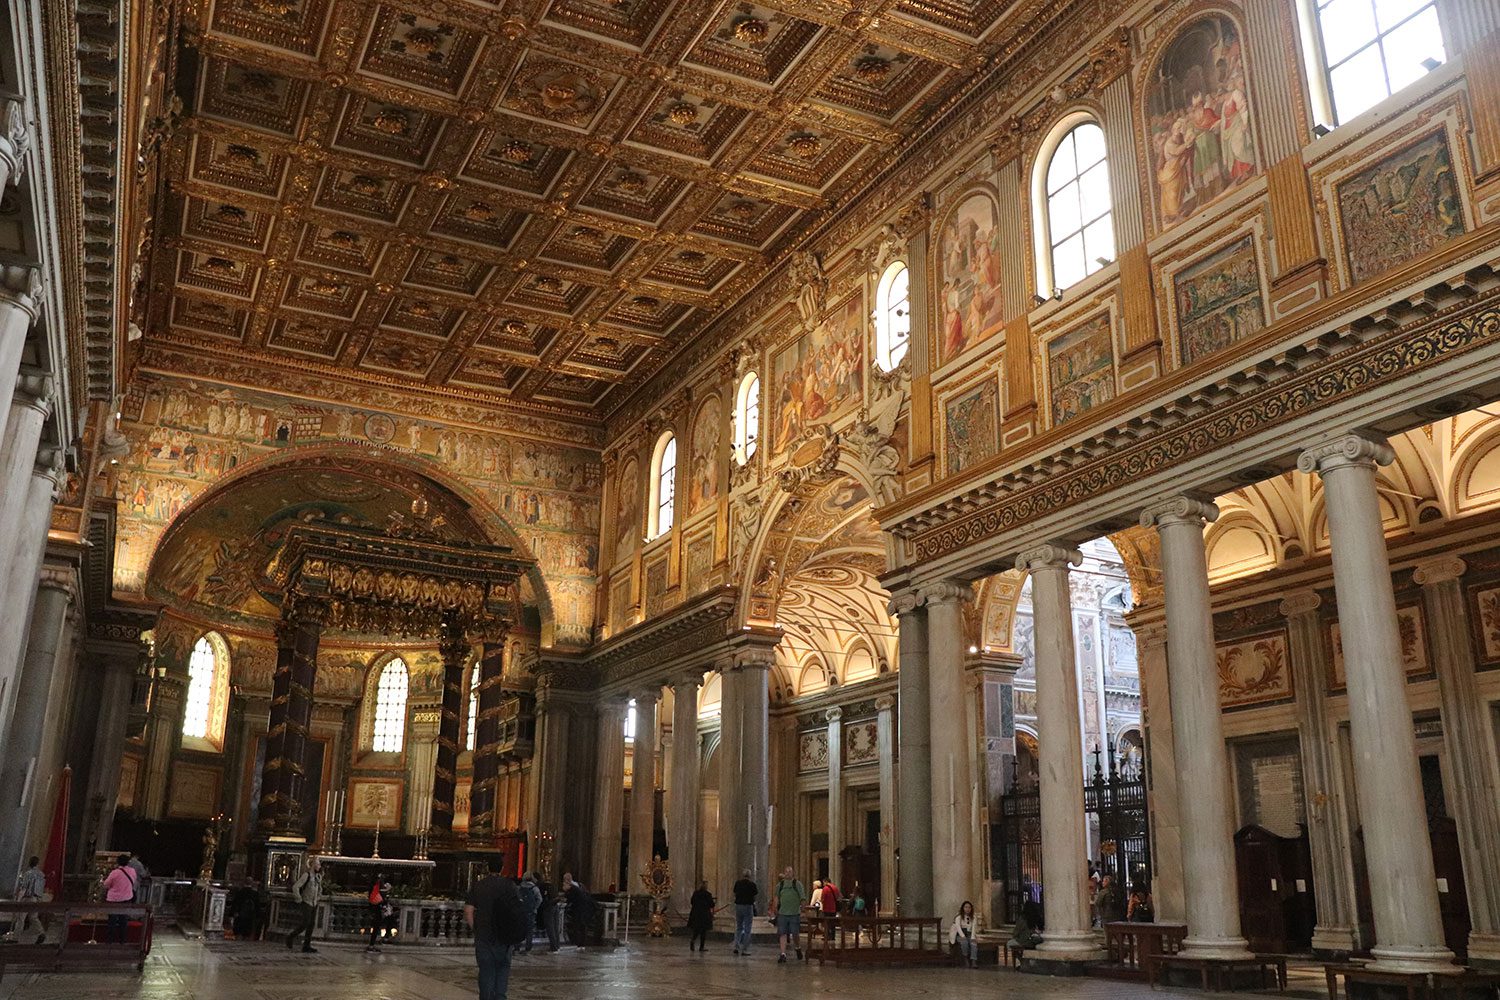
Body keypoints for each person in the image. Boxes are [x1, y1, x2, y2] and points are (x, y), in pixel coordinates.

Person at [465, 857, 527, 1000]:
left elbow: (468, 910)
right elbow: (518, 908)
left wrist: (476, 929)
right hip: (504, 934)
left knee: (486, 969)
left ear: (487, 869)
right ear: (502, 868)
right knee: (503, 968)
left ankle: (486, 997)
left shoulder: (479, 885)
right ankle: (500, 996)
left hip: (484, 934)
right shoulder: (509, 885)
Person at [286, 856, 321, 953]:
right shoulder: (306, 875)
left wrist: (318, 898)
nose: (319, 866)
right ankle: (290, 936)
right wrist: (299, 899)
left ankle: (306, 945)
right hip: (306, 902)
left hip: (314, 903)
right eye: (318, 864)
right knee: (305, 923)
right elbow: (296, 887)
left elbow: (319, 889)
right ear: (313, 865)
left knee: (311, 924)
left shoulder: (318, 877)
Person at [770, 867, 805, 964]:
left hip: (794, 913)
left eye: (790, 872)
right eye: (786, 871)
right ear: (784, 873)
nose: (788, 873)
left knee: (795, 933)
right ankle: (783, 954)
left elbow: (802, 897)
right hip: (783, 913)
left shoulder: (797, 884)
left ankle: (797, 947)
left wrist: (802, 909)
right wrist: (775, 908)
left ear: (793, 873)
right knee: (782, 933)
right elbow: (776, 897)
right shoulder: (780, 885)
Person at [101, 853, 137, 943]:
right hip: (127, 898)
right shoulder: (132, 871)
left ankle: (110, 940)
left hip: (114, 900)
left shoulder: (115, 873)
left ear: (118, 862)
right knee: (123, 920)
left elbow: (106, 885)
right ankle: (122, 940)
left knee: (112, 921)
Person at [16, 856, 46, 944]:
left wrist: (19, 898)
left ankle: (15, 937)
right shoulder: (41, 874)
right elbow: (41, 889)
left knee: (21, 917)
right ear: (37, 863)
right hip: (36, 898)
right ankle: (41, 932)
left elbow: (24, 887)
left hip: (28, 898)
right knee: (33, 917)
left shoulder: (28, 874)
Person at [561, 872, 595, 947]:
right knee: (581, 927)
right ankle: (580, 944)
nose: (563, 886)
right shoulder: (577, 887)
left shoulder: (574, 888)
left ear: (567, 882)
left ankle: (578, 943)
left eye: (564, 884)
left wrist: (565, 893)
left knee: (579, 927)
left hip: (581, 910)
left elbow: (569, 899)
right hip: (583, 910)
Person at [731, 870, 757, 956]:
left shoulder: (738, 883)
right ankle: (745, 949)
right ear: (749, 876)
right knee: (747, 929)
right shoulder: (752, 884)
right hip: (748, 906)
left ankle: (736, 947)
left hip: (738, 906)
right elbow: (755, 894)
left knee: (739, 927)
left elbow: (735, 893)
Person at [366, 876, 395, 952]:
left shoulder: (375, 887)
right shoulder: (375, 887)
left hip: (379, 907)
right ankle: (371, 945)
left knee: (390, 920)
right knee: (376, 926)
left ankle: (384, 939)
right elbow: (375, 899)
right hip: (377, 908)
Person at [516, 873, 543, 953]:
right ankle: (528, 947)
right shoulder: (535, 888)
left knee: (520, 929)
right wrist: (535, 907)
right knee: (529, 930)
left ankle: (517, 946)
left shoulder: (519, 888)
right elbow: (540, 899)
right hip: (531, 912)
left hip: (521, 912)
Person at [687, 880, 715, 952]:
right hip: (704, 915)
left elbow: (692, 902)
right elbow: (712, 904)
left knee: (696, 929)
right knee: (703, 931)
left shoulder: (695, 893)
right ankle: (701, 947)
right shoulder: (708, 894)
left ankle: (693, 940)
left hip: (696, 914)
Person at [535, 873, 561, 951]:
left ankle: (554, 947)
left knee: (550, 928)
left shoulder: (540, 886)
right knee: (555, 927)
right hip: (555, 905)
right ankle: (557, 946)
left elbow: (540, 899)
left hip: (548, 907)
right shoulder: (551, 885)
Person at [951, 900, 978, 968]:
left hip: (969, 934)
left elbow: (974, 927)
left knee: (973, 944)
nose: (967, 909)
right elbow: (958, 927)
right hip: (960, 934)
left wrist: (972, 938)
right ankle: (965, 959)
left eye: (969, 907)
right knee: (964, 943)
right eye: (966, 907)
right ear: (963, 908)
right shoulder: (958, 917)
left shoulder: (974, 917)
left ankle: (973, 961)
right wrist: (962, 936)